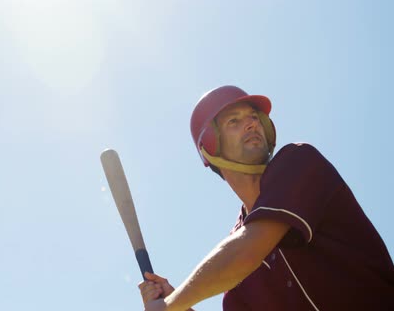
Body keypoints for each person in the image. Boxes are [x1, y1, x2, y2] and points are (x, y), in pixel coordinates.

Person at [138, 85, 394, 311]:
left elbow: (247, 251)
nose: (252, 124)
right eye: (234, 121)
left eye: (254, 117)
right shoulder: (231, 268)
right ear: (210, 146)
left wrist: (171, 305)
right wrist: (177, 307)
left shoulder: (299, 162)